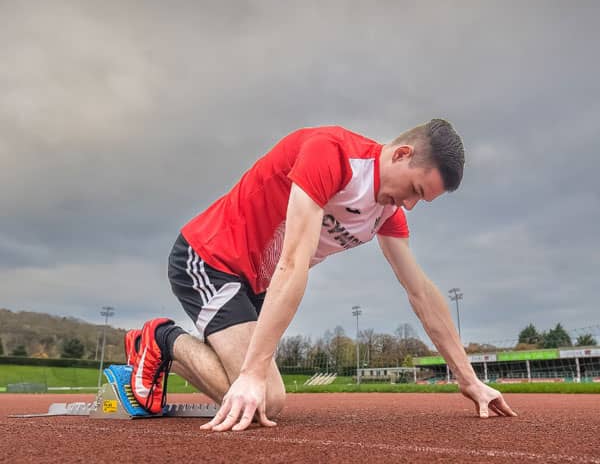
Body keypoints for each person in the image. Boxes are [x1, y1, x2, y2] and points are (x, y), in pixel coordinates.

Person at [125, 120, 517, 431]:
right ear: (401, 153)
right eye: (414, 189)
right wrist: (252, 371)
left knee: (260, 393)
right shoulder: (330, 155)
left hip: (256, 284)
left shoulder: (387, 212)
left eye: (421, 201)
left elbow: (421, 293)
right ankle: (159, 338)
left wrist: (469, 380)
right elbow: (293, 262)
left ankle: (176, 353)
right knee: (265, 397)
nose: (410, 206)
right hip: (211, 257)